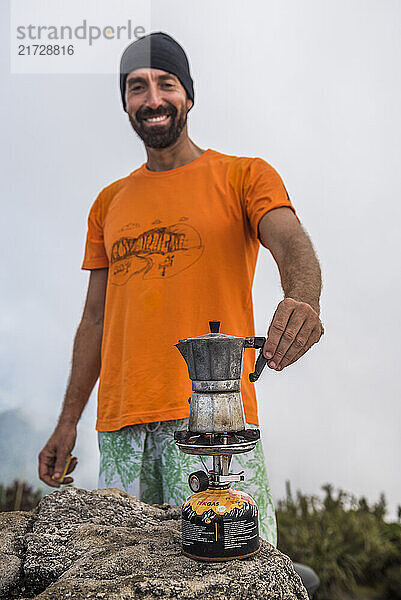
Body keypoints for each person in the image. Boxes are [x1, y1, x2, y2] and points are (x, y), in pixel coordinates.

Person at [38, 32, 322, 597]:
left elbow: (289, 240)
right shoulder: (109, 202)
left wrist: (304, 298)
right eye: (136, 87)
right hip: (118, 427)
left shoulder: (243, 175)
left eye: (166, 83)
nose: (152, 98)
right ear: (125, 104)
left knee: (238, 576)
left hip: (216, 421)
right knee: (120, 581)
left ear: (188, 96)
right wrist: (68, 419)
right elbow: (94, 319)